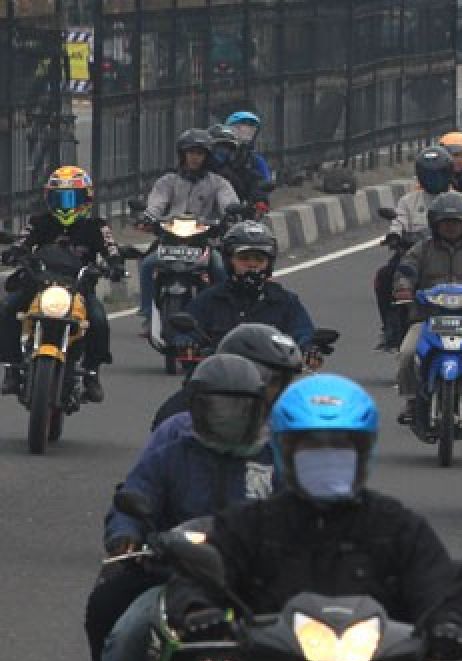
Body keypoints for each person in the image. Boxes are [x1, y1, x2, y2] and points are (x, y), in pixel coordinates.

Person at [164, 373, 462, 661]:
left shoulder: (396, 525)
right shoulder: (252, 523)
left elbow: (436, 581)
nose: (327, 458)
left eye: (341, 448)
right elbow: (200, 573)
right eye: (312, 447)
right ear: (285, 451)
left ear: (363, 452)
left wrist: (449, 625)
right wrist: (198, 611)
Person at [88, 353, 275, 661]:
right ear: (197, 404)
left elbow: (302, 509)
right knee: (127, 632)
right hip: (175, 574)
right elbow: (136, 492)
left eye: (239, 405)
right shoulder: (173, 439)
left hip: (256, 583)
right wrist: (127, 535)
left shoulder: (273, 451)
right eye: (219, 404)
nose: (229, 416)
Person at [0, 166, 123, 402]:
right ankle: (12, 368)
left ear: (85, 199)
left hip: (78, 289)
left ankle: (91, 374)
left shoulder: (96, 227)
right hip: (39, 286)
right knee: (7, 309)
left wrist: (115, 265)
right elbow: (22, 242)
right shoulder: (39, 223)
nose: (66, 204)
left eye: (72, 198)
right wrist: (14, 253)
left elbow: (112, 250)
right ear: (49, 198)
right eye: (60, 198)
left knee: (98, 320)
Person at [394, 192, 462, 421]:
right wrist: (404, 288)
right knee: (407, 353)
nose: (450, 228)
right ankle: (411, 400)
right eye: (445, 223)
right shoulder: (421, 250)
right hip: (428, 317)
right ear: (435, 224)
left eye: (456, 223)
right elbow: (406, 271)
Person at [136, 128, 240, 334]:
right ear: (182, 154)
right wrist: (149, 215)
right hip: (170, 239)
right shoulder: (168, 181)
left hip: (203, 241)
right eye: (190, 152)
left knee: (219, 268)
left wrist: (230, 213)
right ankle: (148, 314)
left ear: (207, 157)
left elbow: (229, 202)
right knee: (147, 264)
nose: (194, 158)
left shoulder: (217, 183)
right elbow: (157, 202)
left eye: (200, 153)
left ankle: (222, 313)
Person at [150, 321, 304, 436]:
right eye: (272, 380)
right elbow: (151, 474)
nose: (279, 392)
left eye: (284, 382)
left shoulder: (297, 420)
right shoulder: (181, 419)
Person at [373, 145, 459, 350]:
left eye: (438, 174)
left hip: (451, 255)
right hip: (411, 255)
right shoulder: (409, 200)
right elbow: (399, 219)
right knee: (384, 277)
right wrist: (394, 235)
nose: (434, 180)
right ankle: (390, 327)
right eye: (429, 175)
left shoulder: (458, 200)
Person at [182, 220, 315, 349]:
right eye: (244, 258)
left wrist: (309, 347)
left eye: (259, 259)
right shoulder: (210, 299)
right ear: (229, 261)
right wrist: (185, 342)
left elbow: (303, 331)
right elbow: (185, 330)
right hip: (220, 369)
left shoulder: (285, 301)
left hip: (271, 370)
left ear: (269, 263)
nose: (252, 264)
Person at [208, 123, 268, 218]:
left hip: (227, 222)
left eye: (228, 148)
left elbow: (255, 183)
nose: (223, 151)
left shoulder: (236, 173)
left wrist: (259, 200)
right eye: (219, 147)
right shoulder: (185, 174)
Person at [224, 110, 271, 183]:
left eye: (254, 126)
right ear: (232, 127)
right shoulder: (220, 154)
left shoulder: (256, 160)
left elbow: (266, 184)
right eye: (247, 124)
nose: (252, 128)